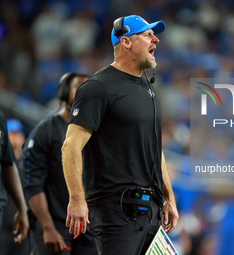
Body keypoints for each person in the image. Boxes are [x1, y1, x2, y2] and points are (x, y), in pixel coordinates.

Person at [62, 15, 179, 255]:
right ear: (126, 42)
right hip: (116, 213)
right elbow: (70, 146)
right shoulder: (98, 87)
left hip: (151, 211)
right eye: (147, 35)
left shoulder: (147, 88)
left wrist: (169, 197)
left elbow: (155, 149)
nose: (155, 39)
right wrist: (76, 199)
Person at [23, 72, 97, 254]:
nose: (85, 91)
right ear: (64, 93)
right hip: (56, 226)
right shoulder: (44, 131)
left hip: (89, 229)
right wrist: (47, 227)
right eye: (79, 85)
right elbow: (34, 185)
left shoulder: (96, 132)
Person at [0, 118, 31, 255]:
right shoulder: (3, 166)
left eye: (18, 134)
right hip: (3, 226)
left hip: (23, 226)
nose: (15, 138)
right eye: (12, 134)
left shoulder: (29, 165)